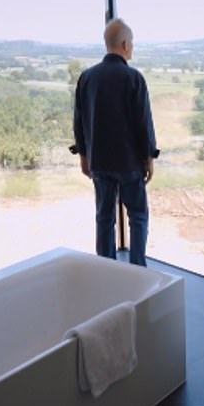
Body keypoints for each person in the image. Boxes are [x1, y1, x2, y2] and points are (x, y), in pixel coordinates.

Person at [72, 18, 159, 266]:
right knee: (138, 216)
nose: (132, 48)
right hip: (129, 162)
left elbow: (79, 122)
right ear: (124, 44)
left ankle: (105, 269)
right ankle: (138, 268)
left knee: (104, 217)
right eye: (132, 43)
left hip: (99, 161)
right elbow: (143, 123)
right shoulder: (134, 78)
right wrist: (149, 157)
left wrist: (84, 156)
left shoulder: (87, 78)